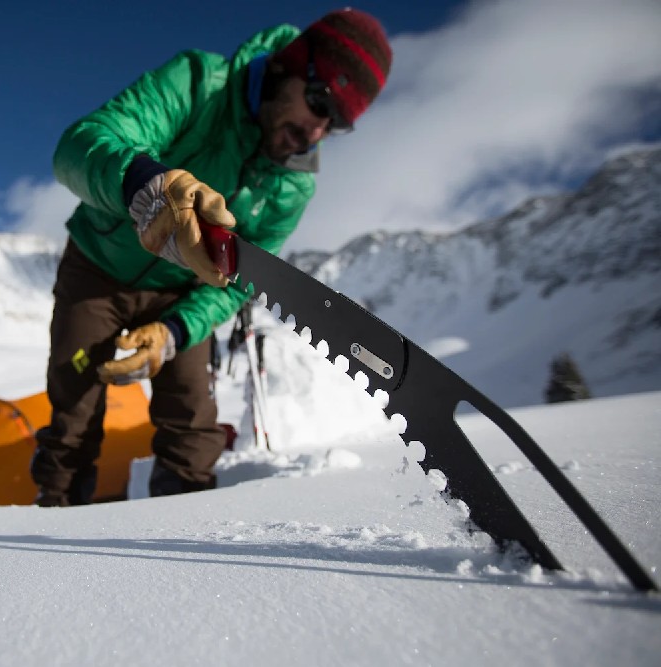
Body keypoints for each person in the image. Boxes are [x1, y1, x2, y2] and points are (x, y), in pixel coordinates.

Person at [30, 8, 393, 506]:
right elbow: (81, 145)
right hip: (96, 270)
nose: (316, 131)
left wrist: (176, 332)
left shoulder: (293, 187)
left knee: (192, 424)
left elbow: (241, 281)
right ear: (289, 65)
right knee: (75, 404)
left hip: (180, 295)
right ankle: (51, 526)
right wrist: (146, 187)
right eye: (318, 102)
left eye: (336, 122)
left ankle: (184, 550)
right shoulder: (200, 83)